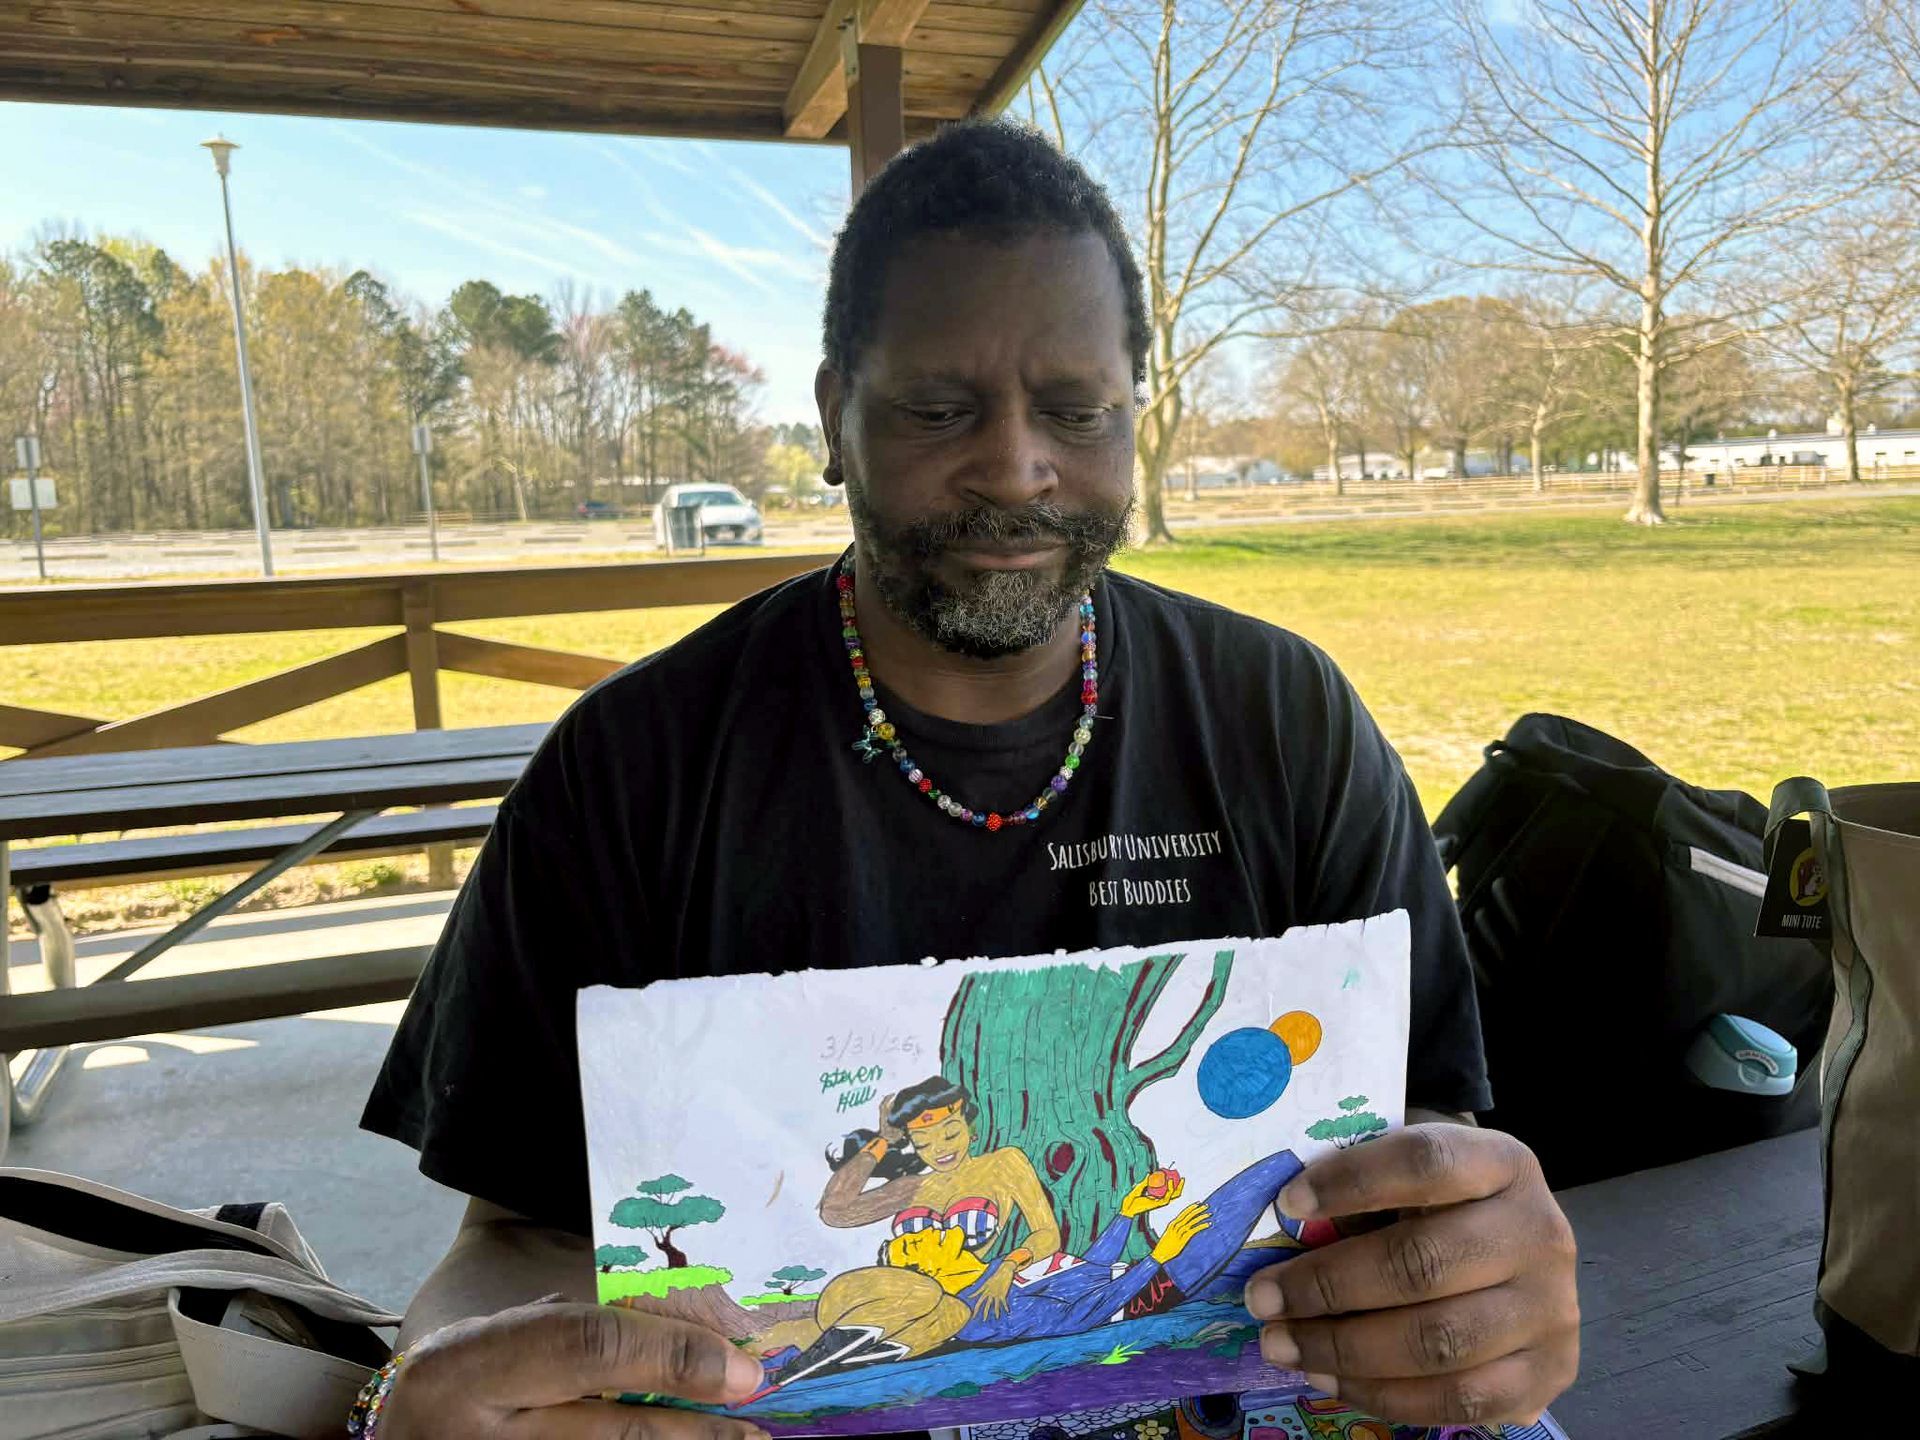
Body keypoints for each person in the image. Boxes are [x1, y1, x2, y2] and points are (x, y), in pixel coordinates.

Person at [359, 121, 1578, 1439]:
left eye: (1076, 409)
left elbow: (1418, 1130)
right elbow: (515, 1238)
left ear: (1134, 415)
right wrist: (423, 1399)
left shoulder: (1288, 719)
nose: (1015, 466)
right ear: (834, 417)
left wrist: (1477, 1262)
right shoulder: (632, 769)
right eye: (941, 409)